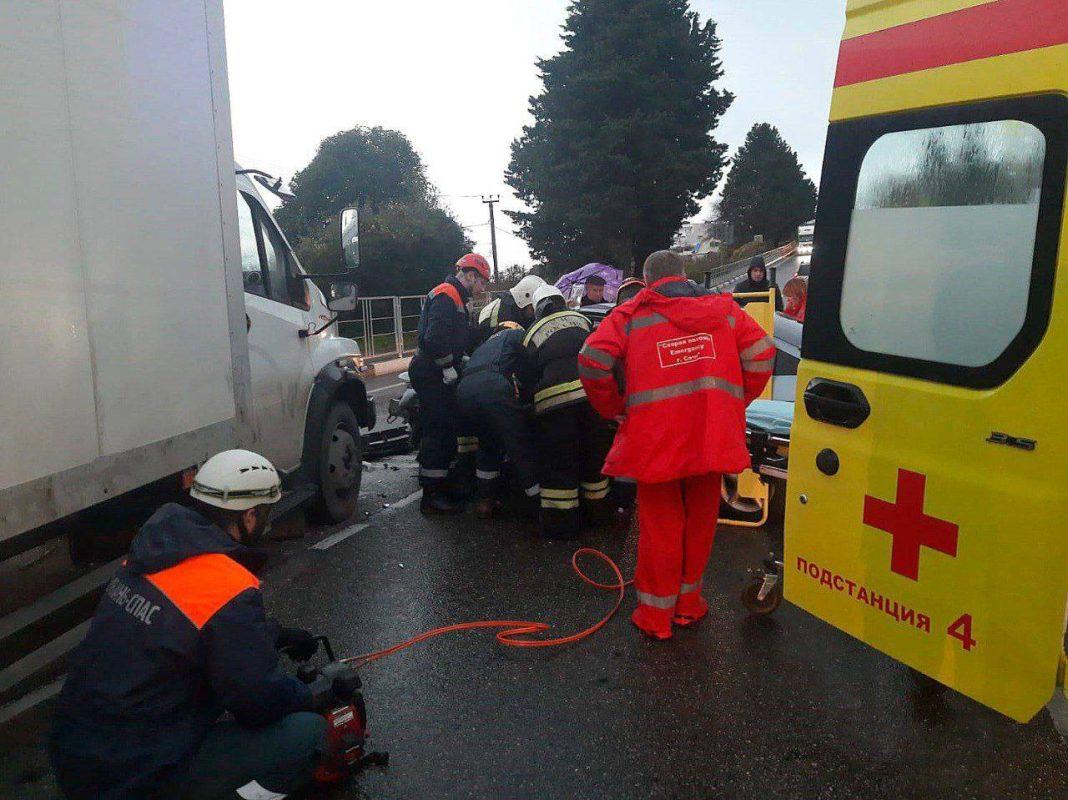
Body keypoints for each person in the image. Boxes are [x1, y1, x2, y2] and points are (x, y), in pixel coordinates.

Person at [50, 450, 350, 800]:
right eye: (266, 514)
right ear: (249, 516)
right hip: (132, 775)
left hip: (76, 754)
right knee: (307, 734)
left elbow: (186, 627)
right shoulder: (225, 582)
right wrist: (315, 692)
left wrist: (274, 635)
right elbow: (258, 702)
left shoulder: (156, 549)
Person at [578, 251, 774, 640]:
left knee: (660, 526)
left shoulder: (632, 314)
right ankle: (688, 605)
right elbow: (762, 353)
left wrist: (613, 408)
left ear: (648, 280)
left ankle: (656, 615)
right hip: (710, 436)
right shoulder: (724, 309)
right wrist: (733, 402)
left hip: (656, 440)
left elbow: (591, 360)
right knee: (700, 522)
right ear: (684, 275)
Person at [524, 284, 613, 539]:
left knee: (559, 462)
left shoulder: (532, 331)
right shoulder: (582, 318)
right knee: (594, 456)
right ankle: (598, 515)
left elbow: (529, 375)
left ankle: (562, 525)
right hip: (590, 397)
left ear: (538, 308)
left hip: (554, 404)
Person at [410, 252, 491, 514]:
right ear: (471, 275)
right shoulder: (448, 294)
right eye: (482, 282)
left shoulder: (455, 296)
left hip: (434, 370)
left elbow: (458, 336)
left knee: (444, 429)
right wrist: (447, 365)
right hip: (432, 371)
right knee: (438, 431)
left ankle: (441, 487)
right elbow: (435, 339)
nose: (482, 289)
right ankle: (431, 496)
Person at [456, 320, 541, 518]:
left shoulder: (485, 345)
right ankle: (538, 502)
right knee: (519, 444)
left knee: (488, 443)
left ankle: (484, 501)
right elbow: (528, 369)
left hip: (464, 392)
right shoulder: (515, 335)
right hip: (492, 387)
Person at [473, 274, 546, 347]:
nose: (535, 313)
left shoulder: (518, 308)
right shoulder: (505, 316)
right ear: (523, 301)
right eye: (532, 308)